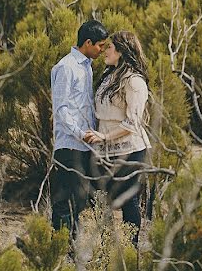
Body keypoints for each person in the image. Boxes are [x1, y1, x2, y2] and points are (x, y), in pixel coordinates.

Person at [85, 30, 152, 245]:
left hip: (130, 150)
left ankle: (130, 252)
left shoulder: (134, 81)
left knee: (128, 201)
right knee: (99, 200)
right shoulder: (108, 76)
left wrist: (104, 136)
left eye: (110, 47)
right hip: (104, 150)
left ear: (121, 51)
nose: (105, 51)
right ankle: (106, 250)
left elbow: (133, 123)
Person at [50, 19, 110, 238]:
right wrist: (80, 133)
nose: (102, 50)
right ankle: (61, 249)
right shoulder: (66, 67)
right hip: (70, 145)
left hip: (85, 146)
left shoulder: (86, 66)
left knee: (80, 200)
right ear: (87, 42)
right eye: (100, 45)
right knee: (65, 200)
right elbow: (61, 109)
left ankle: (71, 248)